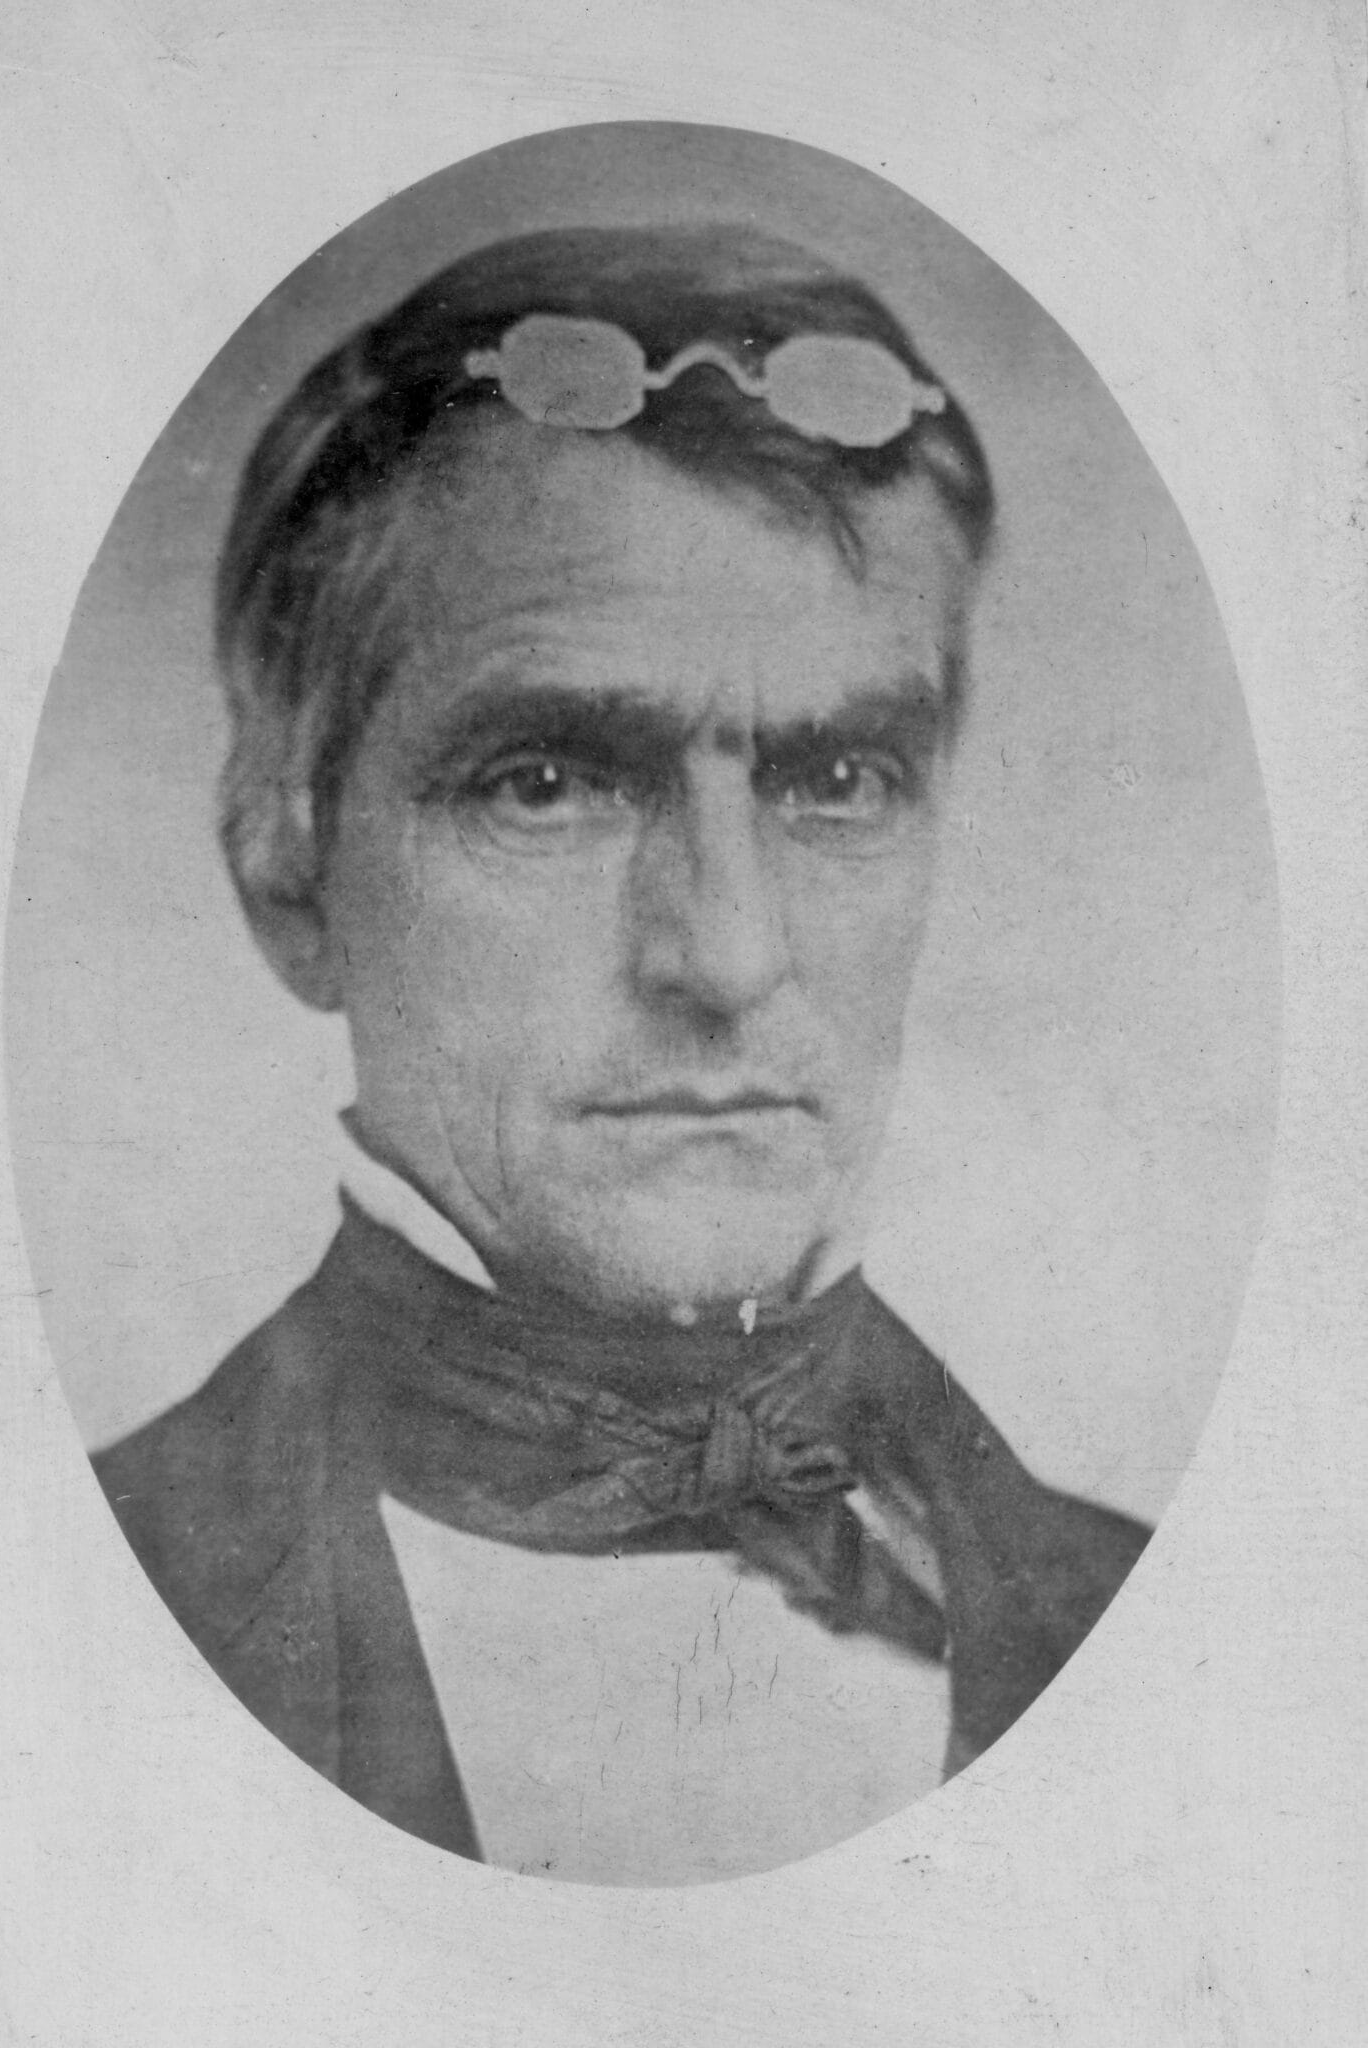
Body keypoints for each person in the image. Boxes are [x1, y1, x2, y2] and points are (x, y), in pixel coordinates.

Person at [94, 224, 1150, 1883]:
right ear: (289, 872)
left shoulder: (1161, 1633)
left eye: (840, 782)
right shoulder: (42, 1604)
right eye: (547, 784)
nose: (726, 956)